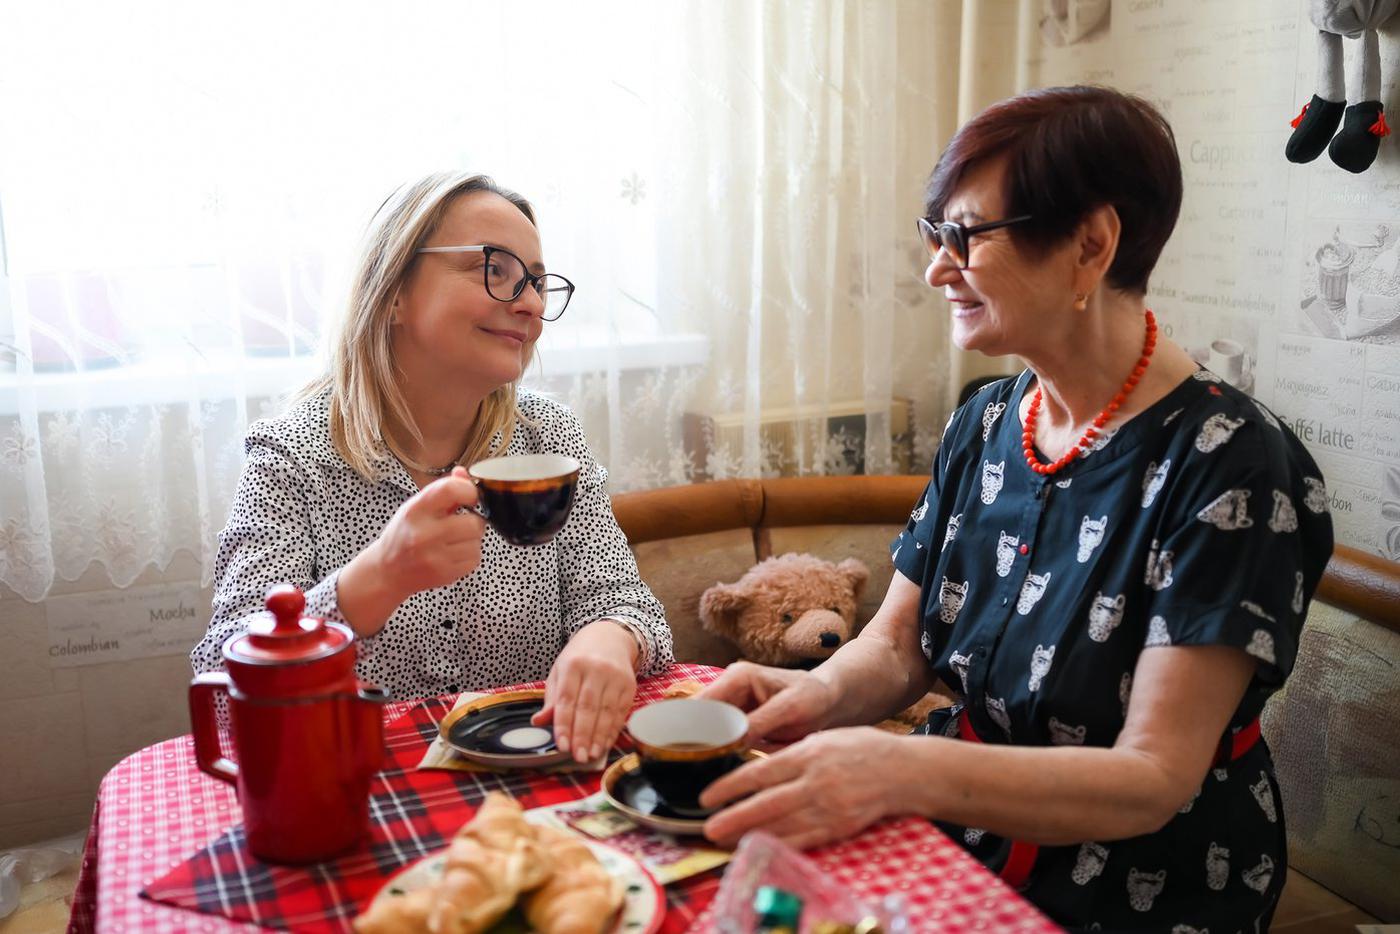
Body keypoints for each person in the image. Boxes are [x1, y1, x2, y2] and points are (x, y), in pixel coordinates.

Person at [698, 86, 1333, 931]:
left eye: (963, 236)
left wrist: (896, 769)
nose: (935, 268)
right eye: (936, 236)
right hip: (966, 822)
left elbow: (1154, 775)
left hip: (1142, 879)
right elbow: (893, 649)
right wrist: (797, 701)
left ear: (1090, 244)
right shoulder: (990, 420)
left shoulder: (1232, 463)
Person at [192, 172, 673, 762]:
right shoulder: (290, 460)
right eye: (493, 269)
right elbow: (222, 689)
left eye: (537, 283)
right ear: (393, 290)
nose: (528, 303)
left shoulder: (548, 438)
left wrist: (611, 639)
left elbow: (626, 602)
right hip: (366, 788)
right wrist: (376, 579)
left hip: (534, 781)